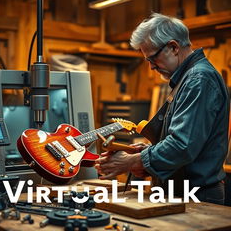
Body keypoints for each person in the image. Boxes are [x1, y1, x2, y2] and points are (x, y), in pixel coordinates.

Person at [95, 13, 230, 205]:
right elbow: (184, 140)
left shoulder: (198, 80)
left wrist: (132, 161)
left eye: (152, 59)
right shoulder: (186, 79)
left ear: (173, 47)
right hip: (183, 193)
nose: (151, 68)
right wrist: (145, 152)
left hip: (198, 196)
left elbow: (182, 146)